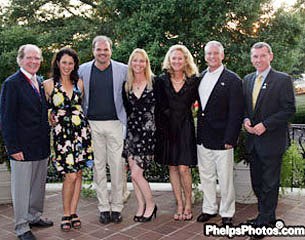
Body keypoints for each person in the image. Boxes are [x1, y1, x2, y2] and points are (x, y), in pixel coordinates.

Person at [0, 44, 53, 240]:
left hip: (40, 145)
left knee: (37, 186)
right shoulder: (12, 84)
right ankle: (22, 226)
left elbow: (41, 111)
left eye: (37, 58)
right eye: (29, 58)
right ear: (20, 60)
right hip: (21, 147)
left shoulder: (39, 81)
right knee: (21, 189)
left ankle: (34, 216)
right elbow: (6, 118)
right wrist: (13, 147)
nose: (33, 61)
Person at [243, 42, 295, 230]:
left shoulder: (282, 80)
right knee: (257, 183)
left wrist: (266, 125)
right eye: (255, 56)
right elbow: (246, 108)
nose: (259, 60)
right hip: (253, 143)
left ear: (270, 56)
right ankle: (266, 216)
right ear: (251, 58)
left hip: (272, 141)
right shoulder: (247, 79)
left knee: (269, 184)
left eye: (262, 56)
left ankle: (264, 222)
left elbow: (289, 109)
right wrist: (246, 120)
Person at [43, 47, 94, 231]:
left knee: (78, 173)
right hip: (62, 136)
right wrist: (50, 113)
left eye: (70, 63)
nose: (67, 66)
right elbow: (44, 109)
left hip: (81, 133)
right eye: (64, 62)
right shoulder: (48, 84)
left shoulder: (79, 83)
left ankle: (73, 212)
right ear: (58, 63)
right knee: (70, 175)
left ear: (75, 65)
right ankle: (65, 213)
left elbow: (81, 107)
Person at [78, 35, 127, 224]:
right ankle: (103, 208)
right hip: (92, 124)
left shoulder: (122, 69)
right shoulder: (82, 70)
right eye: (99, 49)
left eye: (106, 49)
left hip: (115, 123)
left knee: (116, 167)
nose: (102, 53)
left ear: (111, 51)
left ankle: (117, 207)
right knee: (98, 167)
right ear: (93, 51)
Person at [196, 41, 244, 226]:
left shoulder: (232, 80)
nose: (212, 57)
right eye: (209, 54)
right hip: (203, 138)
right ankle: (209, 208)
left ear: (222, 55)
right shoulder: (200, 77)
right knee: (206, 176)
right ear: (205, 56)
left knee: (225, 179)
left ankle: (227, 212)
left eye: (216, 53)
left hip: (223, 138)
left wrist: (230, 138)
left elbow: (236, 113)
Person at [154, 44, 198, 221]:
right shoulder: (161, 80)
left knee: (184, 168)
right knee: (172, 166)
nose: (177, 61)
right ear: (169, 60)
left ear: (186, 60)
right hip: (167, 129)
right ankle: (179, 203)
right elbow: (157, 107)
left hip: (186, 127)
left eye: (180, 58)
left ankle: (188, 202)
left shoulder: (194, 80)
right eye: (174, 58)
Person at [122, 48, 157, 222]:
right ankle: (141, 205)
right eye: (135, 60)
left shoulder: (154, 82)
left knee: (137, 174)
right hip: (131, 134)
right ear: (131, 63)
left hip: (148, 134)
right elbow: (127, 111)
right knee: (134, 175)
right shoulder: (126, 85)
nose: (138, 64)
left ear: (146, 63)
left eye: (141, 60)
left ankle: (151, 205)